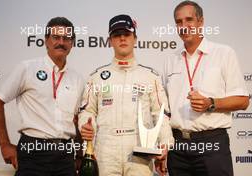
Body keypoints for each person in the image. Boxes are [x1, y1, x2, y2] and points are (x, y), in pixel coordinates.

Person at [78, 14, 174, 176]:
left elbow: (160, 113)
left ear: (135, 38)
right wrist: (85, 126)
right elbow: (87, 111)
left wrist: (165, 142)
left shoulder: (150, 76)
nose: (122, 39)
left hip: (140, 149)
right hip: (106, 149)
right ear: (110, 41)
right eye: (117, 35)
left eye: (127, 34)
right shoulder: (96, 76)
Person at [162, 1, 250, 176]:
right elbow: (164, 110)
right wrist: (164, 145)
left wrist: (210, 103)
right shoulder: (170, 60)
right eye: (179, 22)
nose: (184, 26)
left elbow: (243, 100)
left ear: (200, 22)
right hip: (177, 146)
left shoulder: (224, 53)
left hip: (212, 144)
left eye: (189, 20)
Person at [0, 17, 84, 176]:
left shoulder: (77, 78)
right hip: (32, 153)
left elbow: (75, 120)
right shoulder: (27, 68)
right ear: (46, 40)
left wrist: (80, 155)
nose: (61, 42)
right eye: (56, 37)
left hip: (65, 156)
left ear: (72, 43)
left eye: (66, 38)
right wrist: (4, 144)